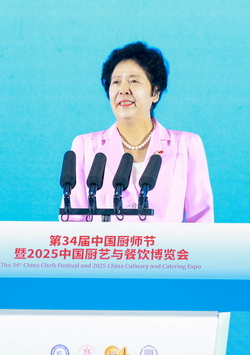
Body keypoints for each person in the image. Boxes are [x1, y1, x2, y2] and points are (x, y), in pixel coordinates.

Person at [67, 42, 213, 222]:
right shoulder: (85, 146)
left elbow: (201, 219)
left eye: (134, 81)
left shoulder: (186, 145)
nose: (123, 90)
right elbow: (72, 221)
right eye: (116, 82)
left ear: (155, 92)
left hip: (164, 242)